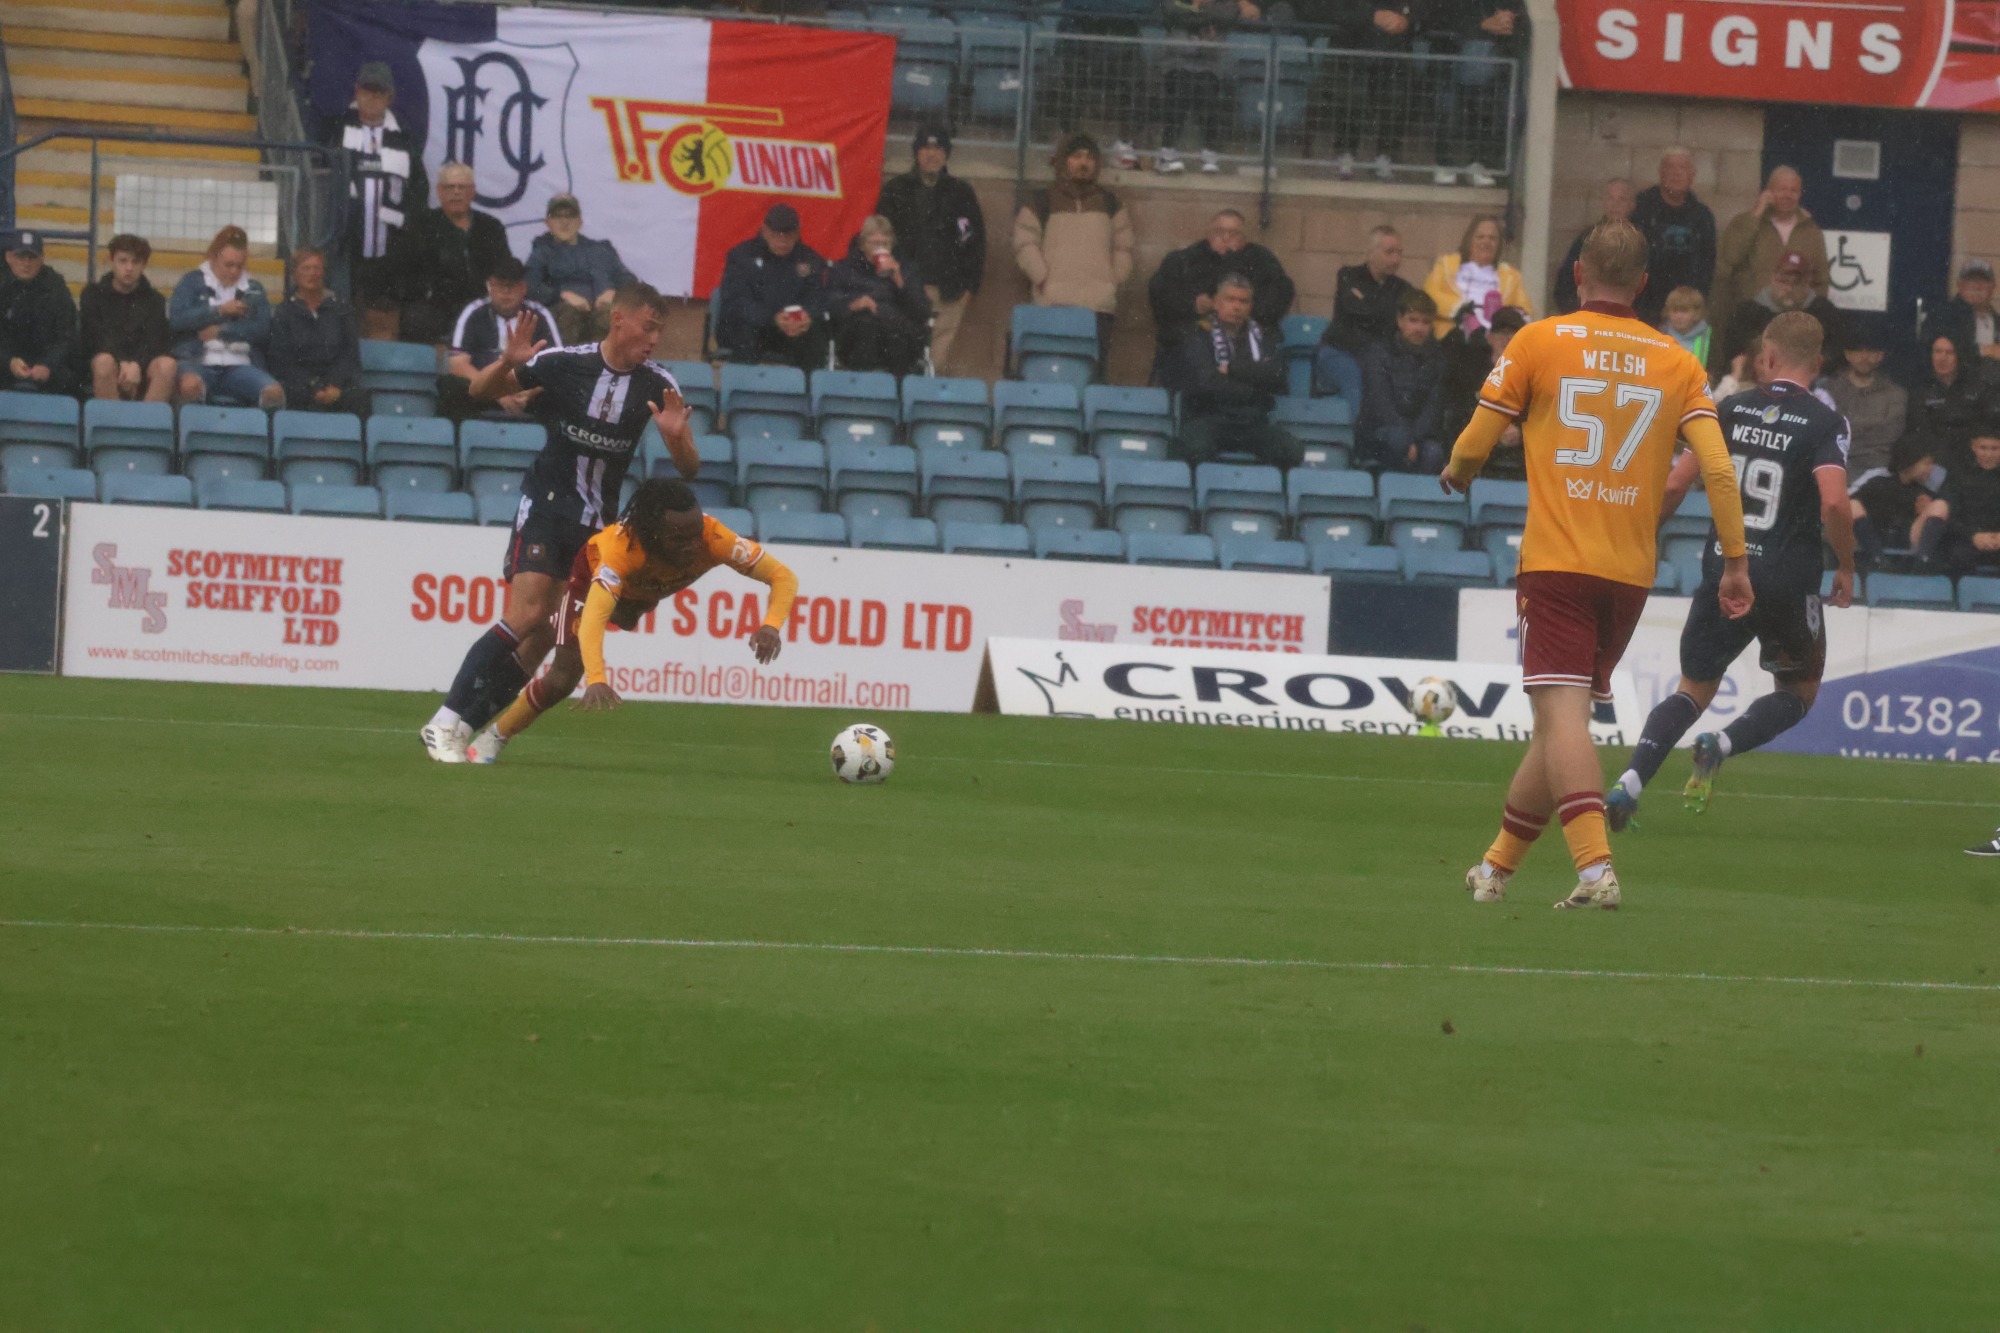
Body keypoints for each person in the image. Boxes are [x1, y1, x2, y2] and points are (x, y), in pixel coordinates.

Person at [1445, 219, 1751, 911]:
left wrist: (1458, 472)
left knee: (1562, 720)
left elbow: (1474, 441)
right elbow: (1716, 469)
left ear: (1578, 274)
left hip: (1557, 562)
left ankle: (1594, 869)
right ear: (1643, 284)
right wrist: (1735, 560)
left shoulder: (1539, 339)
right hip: (1628, 572)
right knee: (1557, 724)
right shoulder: (1678, 362)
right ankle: (1495, 868)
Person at [420, 284, 699, 763]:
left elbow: (690, 468)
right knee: (528, 614)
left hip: (598, 528)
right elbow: (478, 391)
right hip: (548, 504)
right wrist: (507, 363)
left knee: (547, 639)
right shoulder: (566, 363)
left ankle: (463, 730)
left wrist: (676, 439)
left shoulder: (658, 384)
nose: (654, 339)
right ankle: (443, 720)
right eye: (648, 327)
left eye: (660, 330)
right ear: (619, 319)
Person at [1606, 311, 1854, 826]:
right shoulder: (1826, 422)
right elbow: (1833, 502)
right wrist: (1847, 565)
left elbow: (1676, 484)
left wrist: (1639, 536)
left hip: (1725, 568)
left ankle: (1631, 779)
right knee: (1798, 692)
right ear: (1818, 363)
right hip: (1788, 580)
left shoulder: (1729, 409)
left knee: (1693, 687)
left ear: (1767, 357)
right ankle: (1722, 743)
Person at [469, 479, 798, 763]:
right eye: (679, 539)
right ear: (652, 534)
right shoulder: (621, 552)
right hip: (592, 578)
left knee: (624, 619)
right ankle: (493, 737)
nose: (692, 546)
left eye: (695, 535)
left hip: (642, 593)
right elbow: (594, 618)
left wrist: (771, 624)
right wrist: (597, 677)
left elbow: (783, 576)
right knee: (563, 678)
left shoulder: (715, 539)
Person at [873, 126, 985, 372]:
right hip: (904, 289)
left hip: (948, 293)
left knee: (937, 364)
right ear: (916, 152)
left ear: (946, 155)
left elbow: (974, 242)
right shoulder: (896, 190)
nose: (932, 154)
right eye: (926, 148)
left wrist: (970, 287)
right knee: (902, 359)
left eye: (938, 149)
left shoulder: (960, 193)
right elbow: (878, 238)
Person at [328, 60, 424, 339]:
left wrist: (407, 230)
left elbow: (418, 189)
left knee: (382, 315)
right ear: (356, 91)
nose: (371, 98)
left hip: (389, 247)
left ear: (389, 97)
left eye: (379, 92)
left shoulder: (404, 137)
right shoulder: (337, 127)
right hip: (345, 240)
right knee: (341, 308)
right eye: (367, 90)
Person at [1013, 133, 1134, 351]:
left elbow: (1123, 247)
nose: (1083, 163)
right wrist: (1042, 278)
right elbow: (1025, 242)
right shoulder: (1041, 201)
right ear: (1063, 161)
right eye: (1076, 157)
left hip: (1098, 307)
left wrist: (1112, 282)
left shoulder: (1110, 203)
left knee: (1094, 368)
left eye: (1089, 157)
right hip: (1052, 303)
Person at [1148, 209, 1294, 387]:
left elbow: (1280, 294)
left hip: (1245, 341)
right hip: (1198, 344)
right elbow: (1161, 294)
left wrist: (1246, 310)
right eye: (1219, 232)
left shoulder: (1261, 260)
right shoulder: (1184, 260)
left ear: (1245, 238)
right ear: (1208, 234)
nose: (1225, 238)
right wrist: (1193, 304)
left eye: (1233, 234)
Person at [1170, 273, 1300, 467]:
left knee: (1291, 450)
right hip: (1210, 418)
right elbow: (1207, 382)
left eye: (1243, 301)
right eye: (1230, 299)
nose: (1237, 307)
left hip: (1252, 422)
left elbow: (1278, 375)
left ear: (1250, 306)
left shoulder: (1263, 337)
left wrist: (1231, 369)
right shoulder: (1198, 335)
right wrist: (1253, 387)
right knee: (1193, 448)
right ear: (1216, 303)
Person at [1713, 166, 1827, 363]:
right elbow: (1730, 257)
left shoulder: (1810, 230)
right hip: (1754, 321)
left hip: (1796, 325)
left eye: (1793, 190)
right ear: (1768, 191)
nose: (1787, 195)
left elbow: (1822, 279)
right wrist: (1756, 213)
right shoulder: (1746, 222)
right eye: (1781, 189)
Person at [396, 162, 512, 346]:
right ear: (439, 191)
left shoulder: (491, 227)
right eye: (450, 187)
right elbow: (409, 277)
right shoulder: (421, 226)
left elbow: (505, 270)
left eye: (462, 187)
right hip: (436, 309)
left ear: (472, 191)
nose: (456, 193)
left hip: (482, 306)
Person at [169, 225, 282, 409]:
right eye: (229, 265)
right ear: (214, 258)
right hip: (198, 361)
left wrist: (223, 332)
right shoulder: (192, 281)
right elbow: (178, 319)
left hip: (241, 364)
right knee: (190, 386)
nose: (234, 271)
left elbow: (262, 330)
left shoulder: (254, 288)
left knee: (274, 394)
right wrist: (219, 310)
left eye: (240, 266)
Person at [713, 203, 830, 372]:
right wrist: (773, 319)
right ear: (765, 231)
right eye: (776, 234)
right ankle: (744, 385)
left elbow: (818, 298)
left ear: (797, 233)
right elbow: (737, 301)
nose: (782, 240)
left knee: (814, 337)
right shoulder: (741, 256)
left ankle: (807, 386)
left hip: (791, 330)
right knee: (745, 331)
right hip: (753, 326)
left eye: (788, 235)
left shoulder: (810, 260)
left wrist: (806, 318)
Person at [1312, 2, 1417, 183]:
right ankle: (1346, 155)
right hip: (1352, 49)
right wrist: (1372, 16)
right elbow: (1330, 9)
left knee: (1392, 105)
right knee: (1350, 103)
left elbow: (1422, 11)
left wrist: (1406, 21)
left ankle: (1384, 158)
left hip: (1393, 52)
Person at [443, 255, 559, 418]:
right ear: (490, 286)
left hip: (525, 391)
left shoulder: (540, 315)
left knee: (557, 391)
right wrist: (495, 392)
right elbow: (457, 364)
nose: (506, 292)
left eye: (512, 285)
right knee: (450, 385)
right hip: (483, 391)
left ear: (523, 288)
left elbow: (556, 365)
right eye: (499, 285)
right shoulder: (473, 313)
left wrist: (530, 392)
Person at [1427, 0, 1523, 187]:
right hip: (1447, 47)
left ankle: (1480, 163)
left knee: (1489, 80)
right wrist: (1481, 26)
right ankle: (1445, 162)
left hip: (1498, 52)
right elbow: (1435, 16)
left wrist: (1509, 18)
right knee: (1473, 69)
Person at [1313, 224, 1411, 405]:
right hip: (1340, 353)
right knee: (1356, 381)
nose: (1396, 259)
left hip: (1378, 359)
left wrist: (1368, 304)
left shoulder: (1404, 289)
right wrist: (1385, 311)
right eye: (1389, 252)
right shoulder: (1348, 276)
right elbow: (1355, 310)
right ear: (1371, 253)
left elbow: (1372, 314)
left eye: (1399, 253)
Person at [1822, 319, 1906, 525]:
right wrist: (1872, 425)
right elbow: (1825, 432)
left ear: (1881, 355)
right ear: (1847, 354)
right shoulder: (1830, 389)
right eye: (1858, 351)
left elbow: (1890, 435)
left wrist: (1847, 426)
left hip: (1876, 472)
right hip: (1837, 468)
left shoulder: (1896, 394)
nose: (1864, 358)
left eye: (1871, 352)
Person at [525, 193, 636, 347]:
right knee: (569, 314)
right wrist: (561, 295)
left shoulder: (601, 250)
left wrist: (615, 294)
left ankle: (603, 361)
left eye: (570, 216)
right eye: (557, 216)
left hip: (601, 315)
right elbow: (529, 286)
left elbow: (629, 281)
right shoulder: (541, 252)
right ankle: (567, 361)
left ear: (580, 222)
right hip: (565, 316)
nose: (564, 222)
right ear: (548, 222)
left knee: (612, 315)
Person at [267, 246, 368, 416]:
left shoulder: (341, 308)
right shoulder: (284, 312)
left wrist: (334, 384)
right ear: (295, 273)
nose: (312, 273)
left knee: (359, 398)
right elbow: (281, 359)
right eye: (306, 268)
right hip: (300, 385)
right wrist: (314, 386)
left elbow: (349, 352)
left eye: (317, 268)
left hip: (336, 386)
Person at [827, 215, 932, 375]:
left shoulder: (906, 269)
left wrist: (899, 282)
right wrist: (853, 304)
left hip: (897, 333)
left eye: (885, 244)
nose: (880, 248)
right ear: (862, 245)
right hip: (858, 334)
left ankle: (897, 389)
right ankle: (864, 387)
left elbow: (923, 311)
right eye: (875, 243)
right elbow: (829, 303)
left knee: (897, 334)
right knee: (866, 326)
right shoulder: (844, 269)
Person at [1358, 289, 1449, 473]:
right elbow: (1380, 403)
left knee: (1434, 453)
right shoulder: (1378, 352)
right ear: (1399, 320)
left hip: (1418, 436)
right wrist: (1406, 439)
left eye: (1425, 322)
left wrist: (1413, 438)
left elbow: (1433, 408)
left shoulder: (1438, 360)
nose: (1419, 328)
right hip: (1379, 432)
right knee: (1397, 440)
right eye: (1413, 320)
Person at [1718, 251, 1846, 379]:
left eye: (1796, 283)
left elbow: (1835, 356)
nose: (1789, 288)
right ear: (1773, 278)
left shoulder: (1823, 312)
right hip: (1756, 380)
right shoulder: (1749, 312)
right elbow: (1734, 353)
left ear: (1808, 283)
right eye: (1784, 282)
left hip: (1810, 381)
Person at [1153, 0, 1245, 176]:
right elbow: (1172, 10)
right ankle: (1166, 153)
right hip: (1177, 63)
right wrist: (1208, 14)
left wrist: (1195, 13)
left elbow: (1228, 13)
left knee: (1208, 97)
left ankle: (1210, 155)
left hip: (1209, 65)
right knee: (1179, 93)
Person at [80, 233, 175, 402]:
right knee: (104, 362)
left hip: (141, 368)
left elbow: (155, 341)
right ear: (112, 261)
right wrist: (121, 363)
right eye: (123, 261)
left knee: (167, 365)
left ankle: (148, 419)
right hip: (105, 365)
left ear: (143, 265)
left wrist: (137, 366)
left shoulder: (155, 300)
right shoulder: (93, 295)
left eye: (135, 262)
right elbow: (94, 337)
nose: (129, 268)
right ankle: (111, 419)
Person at [1437, 304, 1527, 479]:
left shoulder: (1532, 377)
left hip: (1520, 449)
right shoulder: (1471, 373)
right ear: (1489, 337)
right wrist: (1493, 432)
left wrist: (1520, 433)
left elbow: (1539, 417)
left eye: (1514, 334)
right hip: (1482, 447)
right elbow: (1461, 413)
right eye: (1502, 333)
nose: (1507, 339)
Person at [1630, 148, 1717, 325]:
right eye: (1670, 167)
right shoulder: (1640, 209)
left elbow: (1707, 267)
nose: (1676, 173)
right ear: (1661, 172)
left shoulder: (1702, 217)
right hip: (1642, 309)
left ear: (1692, 174)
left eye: (1683, 168)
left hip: (1683, 316)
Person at [1422, 214, 1533, 339]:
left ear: (1499, 244)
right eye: (1480, 237)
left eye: (1492, 238)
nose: (1486, 242)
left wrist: (1503, 319)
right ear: (1469, 240)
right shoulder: (1446, 265)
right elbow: (1429, 295)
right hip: (1452, 337)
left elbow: (1525, 312)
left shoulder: (1511, 276)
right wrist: (1458, 308)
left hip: (1495, 340)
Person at [0, 229, 79, 397]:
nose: (26, 263)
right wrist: (8, 361)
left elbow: (67, 336)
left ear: (42, 259)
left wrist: (48, 364)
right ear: (9, 257)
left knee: (70, 377)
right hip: (5, 366)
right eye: (21, 256)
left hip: (48, 368)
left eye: (32, 257)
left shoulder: (57, 287)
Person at [1909, 332, 1999, 472]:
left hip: (1974, 459)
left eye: (1950, 352)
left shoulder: (1977, 386)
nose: (1942, 358)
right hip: (1935, 460)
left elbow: (1987, 425)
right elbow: (1919, 430)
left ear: (1959, 356)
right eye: (1938, 352)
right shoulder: (1921, 390)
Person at [1851, 435, 1944, 567]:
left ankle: (1921, 563)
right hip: (1875, 539)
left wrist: (1923, 512)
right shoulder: (1878, 483)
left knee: (1939, 506)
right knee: (1852, 505)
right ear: (1911, 461)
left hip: (1908, 541)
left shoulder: (1923, 492)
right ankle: (1878, 560)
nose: (1931, 468)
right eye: (1926, 463)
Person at [1552, 178, 1634, 315]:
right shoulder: (1587, 238)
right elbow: (1565, 286)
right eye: (1610, 198)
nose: (1615, 205)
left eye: (1622, 199)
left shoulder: (1640, 241)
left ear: (1632, 204)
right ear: (1604, 202)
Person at [1923, 431, 2000, 575]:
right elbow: (1947, 514)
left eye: (1995, 448)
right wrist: (1973, 536)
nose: (1989, 454)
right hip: (1965, 540)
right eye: (1983, 448)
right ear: (1973, 446)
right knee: (1956, 555)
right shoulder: (1958, 475)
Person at [1920, 257, 2000, 366]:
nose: (1978, 286)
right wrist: (1983, 350)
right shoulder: (1942, 316)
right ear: (1960, 285)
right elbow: (1929, 350)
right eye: (1971, 280)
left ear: (1993, 287)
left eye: (1984, 281)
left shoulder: (1997, 321)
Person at [1659, 286, 1711, 368]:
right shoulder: (1662, 334)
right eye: (1675, 311)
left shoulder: (1707, 337)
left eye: (1684, 311)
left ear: (1696, 313)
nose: (1679, 316)